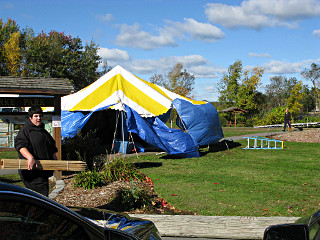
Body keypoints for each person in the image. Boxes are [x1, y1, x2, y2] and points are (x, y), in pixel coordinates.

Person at [14, 106, 58, 196]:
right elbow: (21, 146)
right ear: (30, 117)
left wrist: (56, 162)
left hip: (43, 171)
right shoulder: (25, 130)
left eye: (40, 116)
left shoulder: (43, 132)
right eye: (36, 116)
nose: (39, 118)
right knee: (40, 197)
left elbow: (51, 147)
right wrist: (30, 157)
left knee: (42, 197)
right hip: (32, 172)